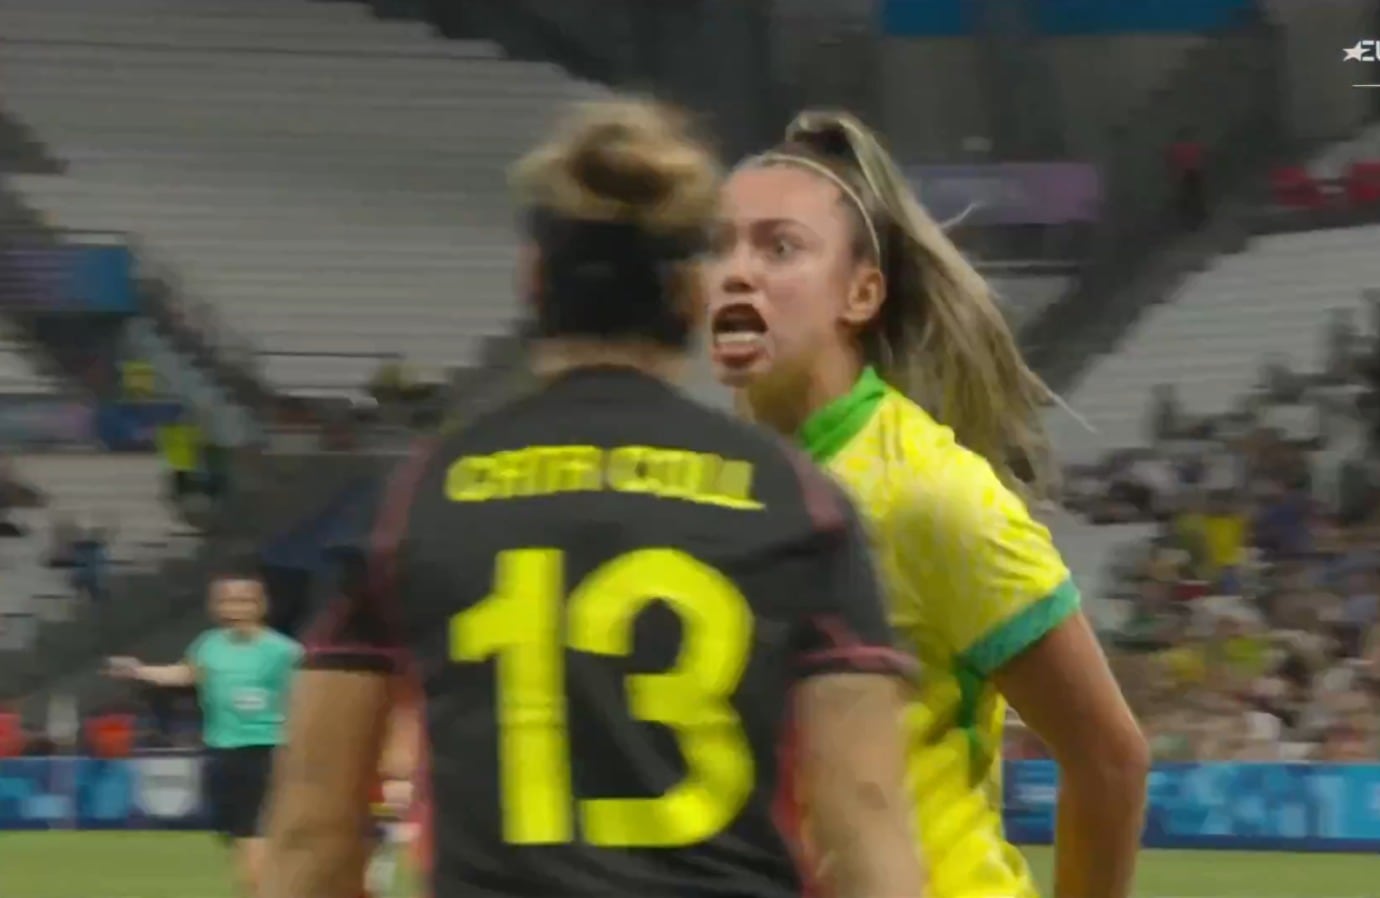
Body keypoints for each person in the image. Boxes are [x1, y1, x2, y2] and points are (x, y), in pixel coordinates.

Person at [260, 98, 923, 898]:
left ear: (533, 281)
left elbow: (310, 840)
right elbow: (865, 818)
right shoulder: (799, 505)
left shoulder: (411, 503)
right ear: (689, 295)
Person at [706, 109, 1151, 898]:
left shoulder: (928, 494)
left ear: (861, 292)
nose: (736, 273)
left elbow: (1108, 758)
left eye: (779, 247)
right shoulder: (715, 488)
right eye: (720, 245)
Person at [105, 572, 301, 898]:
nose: (235, 607)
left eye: (244, 600)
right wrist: (139, 670)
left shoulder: (284, 651)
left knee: (254, 835)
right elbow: (186, 674)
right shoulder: (208, 644)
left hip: (267, 750)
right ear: (215, 605)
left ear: (261, 605)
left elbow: (307, 699)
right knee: (238, 837)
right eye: (227, 600)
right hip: (221, 751)